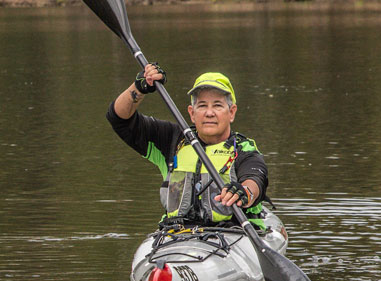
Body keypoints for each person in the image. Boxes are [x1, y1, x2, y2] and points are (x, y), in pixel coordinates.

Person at [107, 63, 268, 226]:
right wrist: (139, 88)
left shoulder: (243, 149)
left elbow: (255, 179)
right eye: (202, 105)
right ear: (192, 113)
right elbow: (119, 119)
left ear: (231, 112)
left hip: (234, 234)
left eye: (217, 105)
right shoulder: (173, 139)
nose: (209, 113)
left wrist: (245, 192)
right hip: (177, 234)